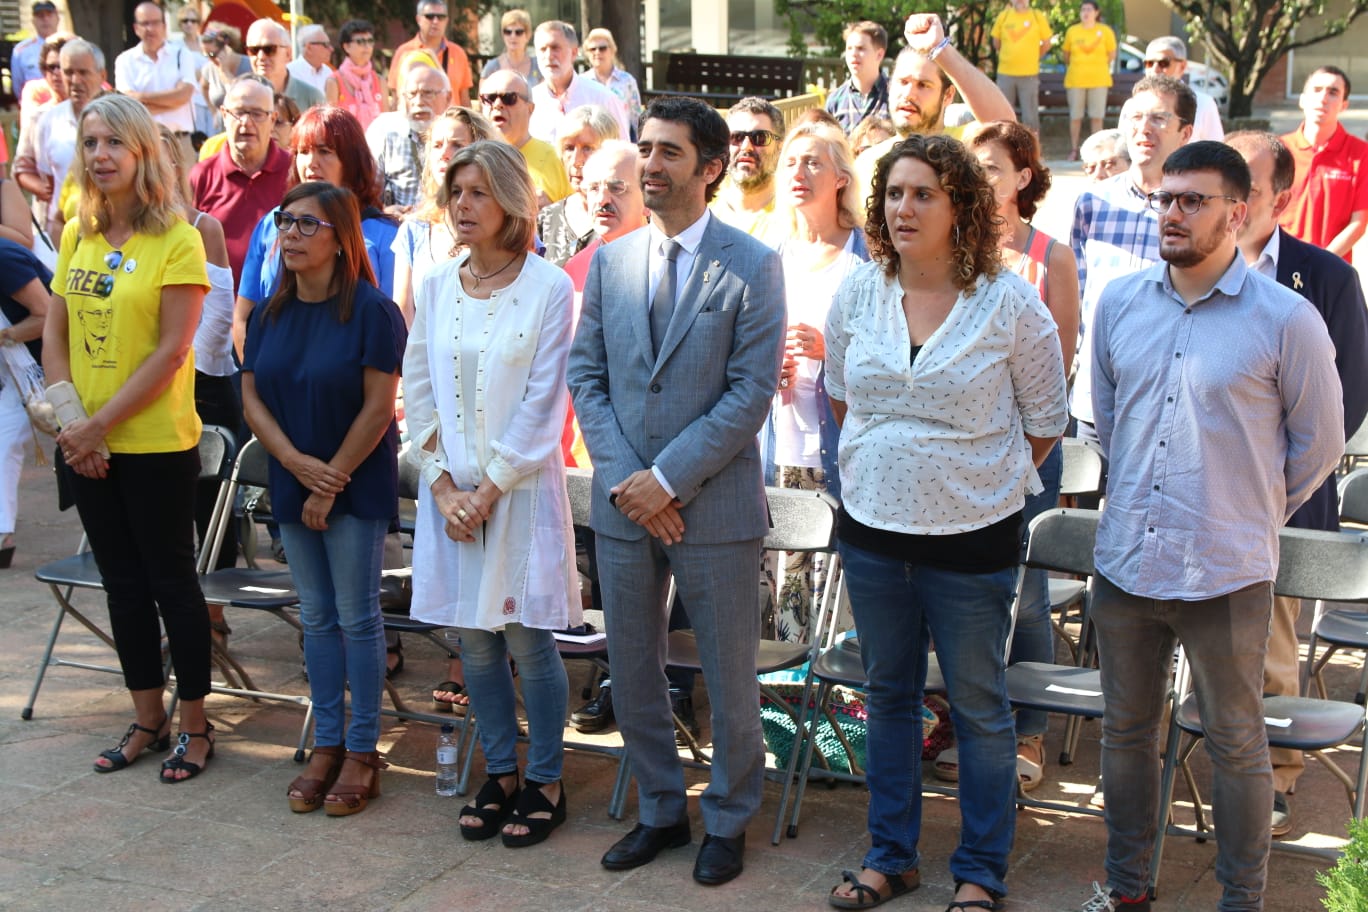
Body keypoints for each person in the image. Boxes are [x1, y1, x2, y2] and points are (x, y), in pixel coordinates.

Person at [1073, 140, 1343, 912]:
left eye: (1193, 200)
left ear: (1239, 211)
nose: (1173, 214)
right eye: (1165, 198)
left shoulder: (1287, 319)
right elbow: (1107, 423)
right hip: (1125, 561)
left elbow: (1318, 443)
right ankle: (1127, 890)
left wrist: (1246, 513)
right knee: (1125, 735)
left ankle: (1240, 900)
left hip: (1226, 569)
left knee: (1235, 742)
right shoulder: (1119, 302)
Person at [823, 133, 1066, 912]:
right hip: (871, 533)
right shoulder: (858, 292)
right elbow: (840, 396)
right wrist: (890, 462)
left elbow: (1046, 420)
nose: (904, 207)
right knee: (887, 696)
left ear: (961, 204)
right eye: (894, 193)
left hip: (972, 539)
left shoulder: (1010, 302)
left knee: (979, 708)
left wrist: (967, 478)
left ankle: (980, 871)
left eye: (923, 192)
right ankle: (891, 857)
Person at [567, 96, 786, 887]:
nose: (650, 166)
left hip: (713, 509)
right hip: (625, 508)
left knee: (728, 678)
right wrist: (633, 481)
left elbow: (750, 391)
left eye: (668, 153)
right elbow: (585, 376)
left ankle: (727, 820)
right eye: (645, 149)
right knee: (631, 669)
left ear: (712, 167)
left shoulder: (753, 263)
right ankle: (661, 809)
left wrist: (666, 480)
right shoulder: (612, 259)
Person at [405, 139, 576, 847]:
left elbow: (545, 402)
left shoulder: (549, 287)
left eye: (478, 192)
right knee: (474, 644)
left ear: (511, 201)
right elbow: (416, 386)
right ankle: (499, 770)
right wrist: (442, 485)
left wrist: (488, 490)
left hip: (519, 493)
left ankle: (546, 778)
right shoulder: (440, 281)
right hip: (449, 494)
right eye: (456, 193)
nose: (463, 206)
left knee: (527, 640)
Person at [42, 93, 214, 783]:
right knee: (121, 586)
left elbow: (172, 351)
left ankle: (197, 728)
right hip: (85, 444)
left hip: (152, 446)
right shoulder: (75, 235)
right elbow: (54, 335)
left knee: (172, 584)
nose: (101, 156)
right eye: (90, 144)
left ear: (144, 152)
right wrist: (70, 423)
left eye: (115, 142)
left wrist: (97, 427)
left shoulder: (178, 238)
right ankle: (149, 717)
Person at [241, 181, 406, 817]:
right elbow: (252, 398)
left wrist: (329, 478)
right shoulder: (271, 313)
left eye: (308, 225)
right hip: (293, 475)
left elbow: (376, 407)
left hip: (354, 481)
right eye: (286, 222)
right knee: (315, 617)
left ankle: (363, 750)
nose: (291, 235)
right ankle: (327, 743)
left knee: (358, 618)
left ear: (342, 240)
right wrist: (293, 464)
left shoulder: (372, 311)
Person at [1227, 129, 1368, 838]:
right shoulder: (1187, 269)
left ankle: (1276, 778)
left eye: (1245, 184)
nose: (1228, 195)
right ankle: (1214, 768)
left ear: (1280, 196)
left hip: (1282, 500)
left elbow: (1348, 397)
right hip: (1206, 502)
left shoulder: (1326, 278)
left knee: (1273, 649)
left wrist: (1278, 480)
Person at [961, 120, 1079, 792]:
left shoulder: (1049, 257)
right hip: (957, 456)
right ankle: (959, 718)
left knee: (1026, 599)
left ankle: (1027, 730)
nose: (981, 177)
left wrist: (1022, 449)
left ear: (1024, 177)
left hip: (1027, 450)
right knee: (959, 592)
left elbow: (1055, 371)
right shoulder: (949, 248)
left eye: (994, 166)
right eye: (972, 165)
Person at [763, 121, 867, 645]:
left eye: (813, 162)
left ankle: (840, 711)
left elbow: (899, 353)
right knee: (787, 591)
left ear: (841, 178)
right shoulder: (769, 253)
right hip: (777, 445)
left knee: (838, 595)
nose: (799, 173)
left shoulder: (867, 257)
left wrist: (835, 352)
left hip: (843, 450)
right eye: (791, 163)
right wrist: (764, 364)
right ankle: (788, 716)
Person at [1070, 76, 1195, 445]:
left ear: (1185, 132)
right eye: (1135, 116)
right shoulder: (1093, 203)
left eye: (1158, 118)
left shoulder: (1197, 207)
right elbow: (1076, 299)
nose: (1143, 129)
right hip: (1095, 401)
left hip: (1168, 406)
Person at [236, 105, 399, 359]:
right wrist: (256, 381)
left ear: (351, 161)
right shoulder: (273, 223)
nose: (311, 163)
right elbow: (244, 315)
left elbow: (393, 326)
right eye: (303, 152)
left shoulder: (385, 234)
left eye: (324, 151)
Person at [161, 124, 237, 591]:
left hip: (200, 385)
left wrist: (174, 375)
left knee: (211, 512)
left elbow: (216, 325)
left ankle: (212, 612)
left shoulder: (201, 227)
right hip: (149, 387)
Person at [854, 14, 1016, 194]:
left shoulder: (966, 148)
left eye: (923, 85)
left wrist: (940, 49)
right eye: (903, 82)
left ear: (948, 95)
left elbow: (1006, 126)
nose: (908, 94)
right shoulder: (866, 163)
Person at [393, 106, 497, 326]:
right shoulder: (413, 231)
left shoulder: (503, 224)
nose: (444, 154)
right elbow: (403, 316)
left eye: (457, 145)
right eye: (437, 145)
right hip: (426, 357)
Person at [190, 76, 292, 286]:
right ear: (224, 115)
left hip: (282, 306)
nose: (246, 122)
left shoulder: (294, 171)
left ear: (273, 120)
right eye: (239, 113)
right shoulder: (202, 176)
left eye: (257, 114)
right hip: (218, 307)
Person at [1279, 66, 1368, 262]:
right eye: (1317, 90)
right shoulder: (1279, 150)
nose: (1323, 98)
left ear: (1344, 104)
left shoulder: (1361, 154)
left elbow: (1359, 223)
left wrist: (1321, 264)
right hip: (1280, 263)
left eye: (1333, 92)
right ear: (1302, 99)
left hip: (1331, 269)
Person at [16, 38, 102, 239]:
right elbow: (48, 181)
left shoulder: (122, 117)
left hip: (114, 229)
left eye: (83, 72)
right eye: (68, 72)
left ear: (102, 75)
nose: (74, 80)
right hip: (65, 231)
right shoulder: (47, 120)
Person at [0, 239, 51, 567]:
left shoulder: (4, 257)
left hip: (42, 366)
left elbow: (46, 315)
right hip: (12, 365)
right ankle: (3, 532)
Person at [115, 2, 199, 159]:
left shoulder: (182, 54)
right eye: (145, 23)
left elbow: (184, 96)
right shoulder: (125, 61)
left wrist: (141, 98)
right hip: (143, 146)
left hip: (180, 143)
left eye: (155, 23)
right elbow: (128, 106)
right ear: (135, 28)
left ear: (164, 26)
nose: (150, 29)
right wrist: (173, 101)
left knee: (186, 184)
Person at [537, 105, 618, 267]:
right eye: (569, 148)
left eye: (587, 148)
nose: (576, 160)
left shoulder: (624, 215)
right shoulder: (546, 219)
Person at [367, 62, 452, 213]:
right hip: (395, 227)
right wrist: (385, 211)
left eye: (428, 93)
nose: (418, 102)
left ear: (447, 98)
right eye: (411, 94)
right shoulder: (384, 130)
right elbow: (366, 193)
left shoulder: (461, 134)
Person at [480, 69, 570, 207]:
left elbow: (577, 215)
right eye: (489, 98)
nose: (497, 105)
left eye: (509, 98)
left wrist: (552, 212)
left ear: (530, 108)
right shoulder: (470, 157)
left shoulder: (556, 159)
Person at [528, 21, 630, 144]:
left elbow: (624, 151)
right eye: (543, 49)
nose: (549, 56)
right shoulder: (530, 101)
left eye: (556, 48)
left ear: (574, 53)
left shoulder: (602, 98)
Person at [711, 97, 785, 242]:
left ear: (779, 147)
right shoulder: (703, 205)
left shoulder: (792, 211)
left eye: (760, 138)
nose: (746, 147)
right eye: (736, 137)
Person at [389, 0, 473, 106]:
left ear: (446, 20)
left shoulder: (458, 53)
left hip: (450, 120)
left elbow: (464, 99)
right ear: (418, 19)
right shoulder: (404, 53)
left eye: (440, 17)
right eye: (430, 16)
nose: (435, 21)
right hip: (415, 118)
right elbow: (396, 98)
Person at [1061, 0, 1116, 162]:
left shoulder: (1105, 31)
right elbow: (1066, 55)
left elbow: (1111, 54)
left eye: (1089, 9)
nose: (1085, 12)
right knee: (1075, 117)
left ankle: (1096, 152)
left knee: (1097, 117)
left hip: (1099, 80)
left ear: (1096, 13)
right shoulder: (1072, 31)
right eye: (1083, 9)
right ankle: (1073, 150)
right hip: (1075, 80)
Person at [1142, 37, 1223, 143]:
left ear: (1182, 66)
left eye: (1163, 63)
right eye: (1149, 63)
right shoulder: (1132, 105)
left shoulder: (1204, 103)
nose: (1155, 70)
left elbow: (1217, 149)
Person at [991, 0, 1052, 134]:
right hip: (1005, 74)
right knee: (1003, 116)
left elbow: (1047, 44)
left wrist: (1032, 58)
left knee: (1030, 117)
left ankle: (1034, 152)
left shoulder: (1037, 16)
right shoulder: (1004, 16)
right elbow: (996, 43)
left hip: (1029, 75)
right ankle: (1004, 150)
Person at [244, 19, 324, 114]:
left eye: (269, 49)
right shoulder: (240, 97)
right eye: (254, 50)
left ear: (288, 53)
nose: (261, 56)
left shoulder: (311, 99)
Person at [825, 22, 889, 135]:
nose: (853, 54)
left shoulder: (896, 96)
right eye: (849, 48)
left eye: (860, 48)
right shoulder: (835, 100)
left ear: (879, 54)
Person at [583, 29, 642, 137]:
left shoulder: (627, 81)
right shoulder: (582, 82)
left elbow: (636, 117)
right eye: (592, 49)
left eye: (602, 48)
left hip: (621, 142)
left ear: (612, 50)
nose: (597, 52)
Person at [335, 20, 387, 131]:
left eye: (370, 41)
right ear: (346, 47)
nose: (367, 46)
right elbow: (331, 124)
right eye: (360, 42)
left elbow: (386, 119)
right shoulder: (335, 81)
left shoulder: (379, 80)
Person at [199, 25, 250, 136]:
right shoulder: (209, 68)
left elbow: (241, 98)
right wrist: (213, 112)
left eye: (212, 54)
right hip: (221, 131)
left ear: (227, 49)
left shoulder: (249, 66)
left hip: (245, 129)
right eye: (205, 54)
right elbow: (203, 87)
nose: (209, 59)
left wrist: (225, 72)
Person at [18, 34, 68, 137]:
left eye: (61, 66)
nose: (56, 72)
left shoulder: (91, 108)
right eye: (51, 67)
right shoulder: (34, 93)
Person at [12, 0, 62, 99]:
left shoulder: (72, 45)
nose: (45, 19)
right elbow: (18, 87)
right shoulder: (21, 51)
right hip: (36, 106)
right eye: (40, 16)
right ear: (33, 21)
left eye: (49, 15)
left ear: (57, 18)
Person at [482, 9, 541, 87]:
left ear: (528, 35)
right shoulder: (492, 67)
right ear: (503, 36)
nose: (513, 36)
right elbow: (483, 97)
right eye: (508, 32)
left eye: (518, 32)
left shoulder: (538, 66)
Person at [287, 24, 340, 105]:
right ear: (309, 48)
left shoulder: (328, 72)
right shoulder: (290, 73)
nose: (331, 49)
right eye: (325, 44)